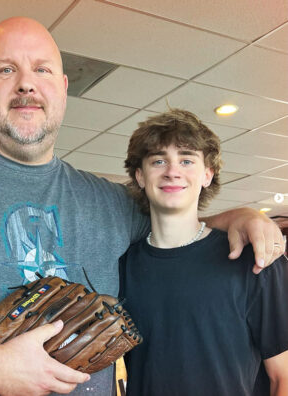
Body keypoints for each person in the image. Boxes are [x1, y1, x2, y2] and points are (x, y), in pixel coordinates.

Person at [0, 16, 284, 396]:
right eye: (6, 70)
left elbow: (177, 228)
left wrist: (241, 216)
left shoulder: (109, 200)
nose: (26, 83)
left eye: (41, 70)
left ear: (63, 88)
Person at [120, 109, 288, 396]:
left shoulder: (253, 260)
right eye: (158, 161)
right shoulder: (122, 267)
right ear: (140, 176)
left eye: (186, 160)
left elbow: (282, 377)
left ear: (207, 175)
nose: (173, 171)